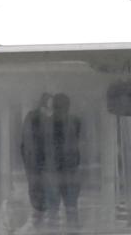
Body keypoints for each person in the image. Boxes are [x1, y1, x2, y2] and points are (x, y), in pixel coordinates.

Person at [20, 94, 55, 228]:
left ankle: (38, 216)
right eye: (49, 103)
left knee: (38, 185)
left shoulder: (37, 117)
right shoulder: (34, 117)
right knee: (36, 185)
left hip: (36, 160)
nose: (51, 107)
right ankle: (38, 215)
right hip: (35, 160)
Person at [50, 94, 82, 228]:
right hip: (63, 170)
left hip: (66, 170)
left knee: (68, 208)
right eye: (58, 107)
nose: (60, 110)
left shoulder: (74, 122)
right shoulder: (74, 122)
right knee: (67, 208)